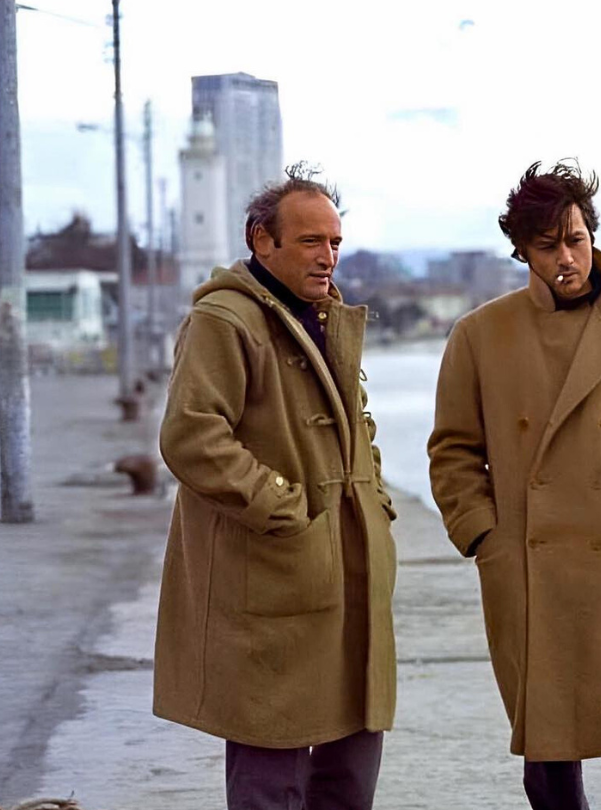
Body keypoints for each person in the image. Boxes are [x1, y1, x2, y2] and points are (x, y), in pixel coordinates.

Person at [427, 160, 601, 810]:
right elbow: (453, 452)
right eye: (547, 245)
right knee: (549, 752)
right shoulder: (479, 335)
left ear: (593, 236)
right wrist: (485, 538)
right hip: (529, 572)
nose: (566, 258)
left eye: (576, 240)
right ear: (522, 252)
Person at [154, 163, 398, 810]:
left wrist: (374, 501)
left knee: (352, 764)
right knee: (271, 766)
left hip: (349, 571)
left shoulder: (324, 313)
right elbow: (191, 438)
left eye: (335, 242)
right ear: (262, 240)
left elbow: (353, 424)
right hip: (272, 573)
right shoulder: (224, 320)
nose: (328, 256)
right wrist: (284, 510)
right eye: (311, 241)